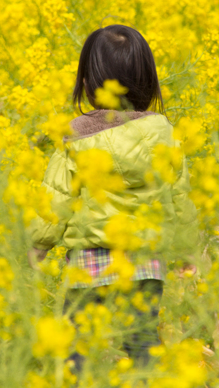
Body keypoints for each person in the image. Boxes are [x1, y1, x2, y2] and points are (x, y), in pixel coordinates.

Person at [28, 24, 198, 373]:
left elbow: (56, 197)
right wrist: (185, 251)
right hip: (145, 265)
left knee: (76, 348)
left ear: (88, 85)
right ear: (147, 82)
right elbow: (178, 198)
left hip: (89, 265)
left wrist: (38, 244)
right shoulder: (163, 133)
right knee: (142, 343)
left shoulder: (75, 137)